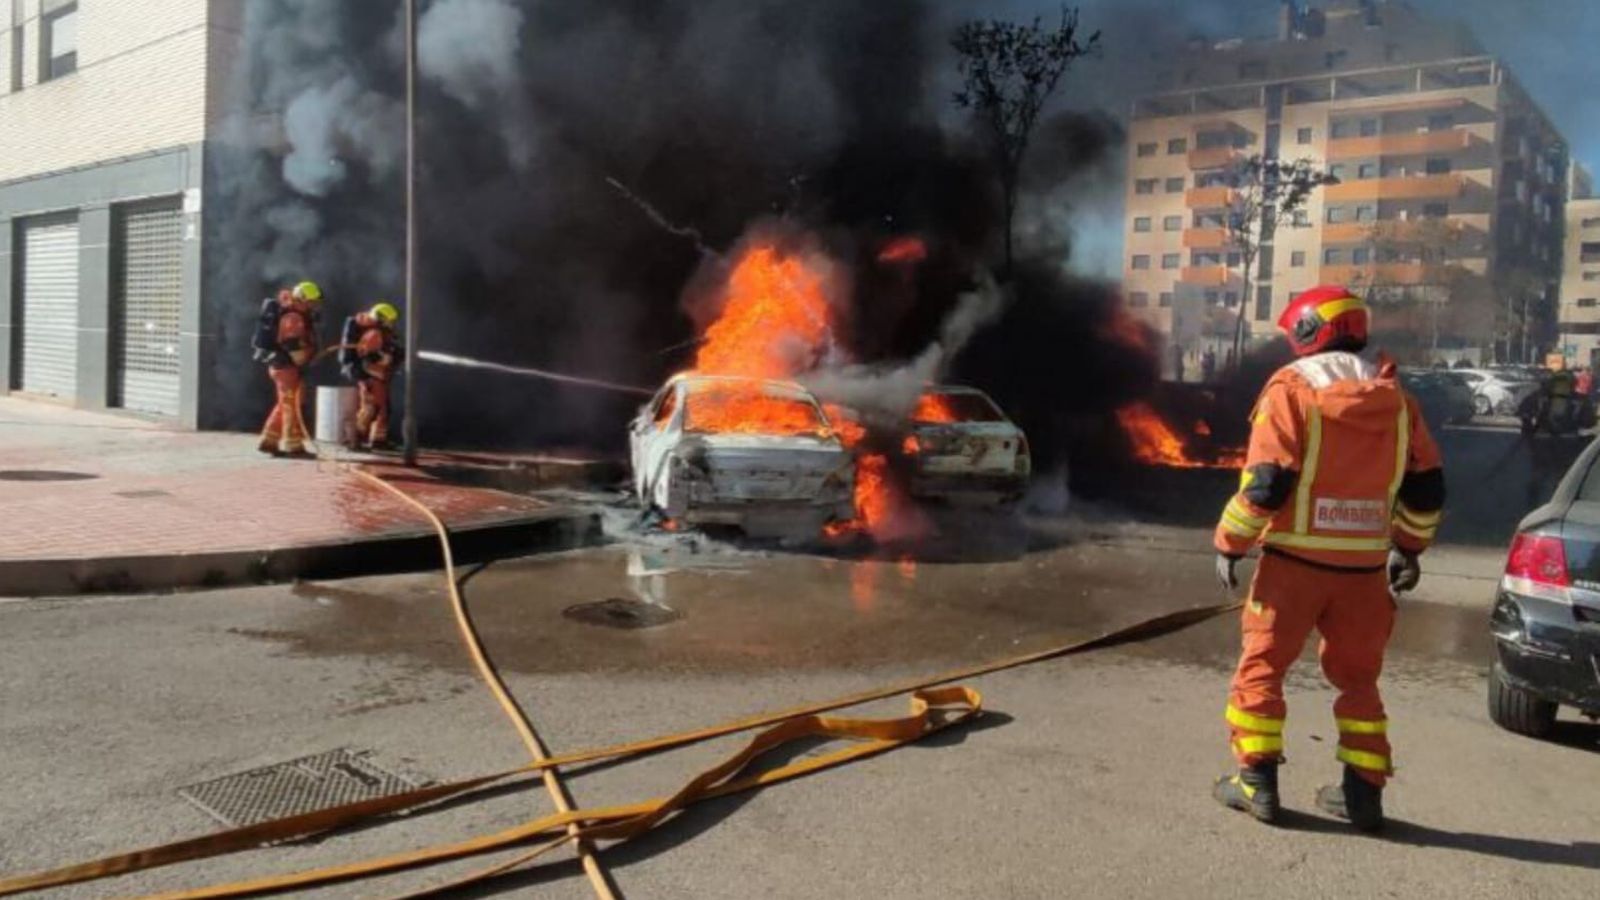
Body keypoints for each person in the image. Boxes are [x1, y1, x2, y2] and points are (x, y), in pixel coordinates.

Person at [1211, 284, 1445, 832]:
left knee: (1262, 670)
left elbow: (1265, 486)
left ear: (1306, 332)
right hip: (1363, 574)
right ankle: (1363, 798)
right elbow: (1428, 490)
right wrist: (1407, 550)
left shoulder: (1291, 390)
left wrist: (1229, 542)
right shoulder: (1397, 401)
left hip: (1293, 568)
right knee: (1360, 681)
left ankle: (1256, 784)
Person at [253, 281, 323, 457]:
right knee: (292, 405)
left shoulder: (293, 314)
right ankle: (293, 446)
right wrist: (303, 359)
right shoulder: (294, 317)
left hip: (283, 366)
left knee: (285, 403)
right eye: (312, 302)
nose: (314, 306)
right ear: (303, 299)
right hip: (287, 367)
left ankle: (269, 441)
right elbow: (292, 345)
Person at [339, 302, 403, 450]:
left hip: (377, 378)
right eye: (389, 321)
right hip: (371, 379)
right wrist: (386, 358)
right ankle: (352, 439)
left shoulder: (379, 332)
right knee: (370, 409)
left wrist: (394, 355)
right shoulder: (374, 334)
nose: (391, 324)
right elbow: (368, 358)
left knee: (382, 408)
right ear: (381, 319)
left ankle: (378, 440)